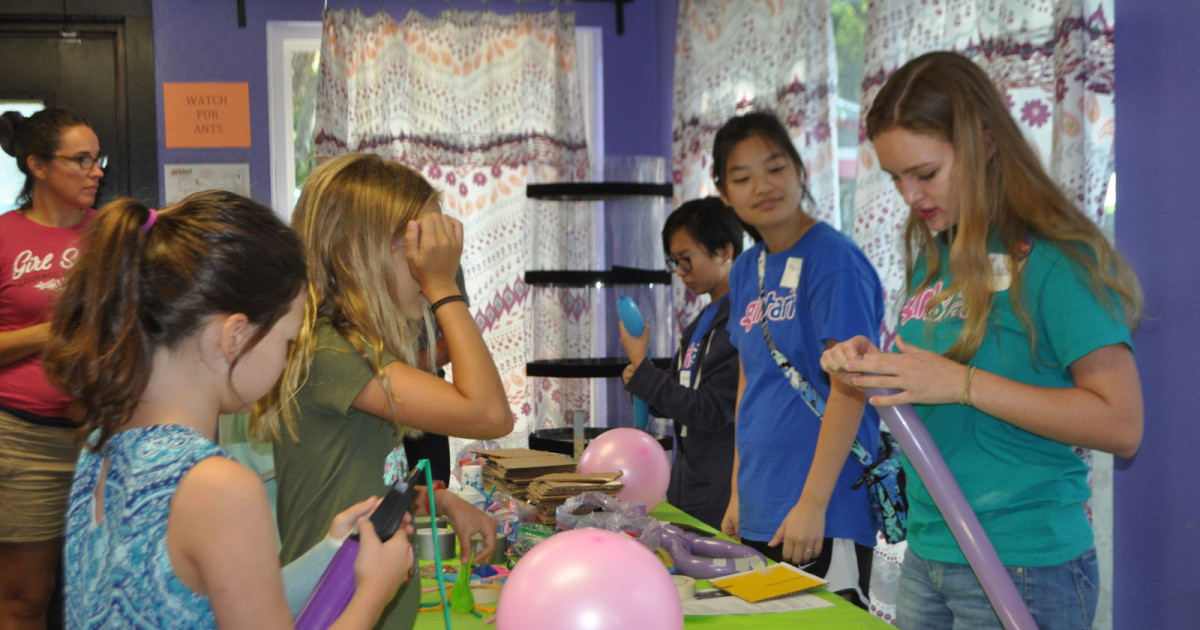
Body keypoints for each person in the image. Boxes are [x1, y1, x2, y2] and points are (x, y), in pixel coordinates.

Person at [820, 51, 1143, 629]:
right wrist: (872, 366)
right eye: (896, 178)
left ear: (984, 143)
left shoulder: (1055, 258)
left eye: (925, 173)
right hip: (930, 550)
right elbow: (932, 379)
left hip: (1023, 561)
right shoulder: (936, 253)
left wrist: (963, 385)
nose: (910, 195)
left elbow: (1121, 425)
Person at [41, 190, 412, 629]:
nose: (288, 358)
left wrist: (331, 552)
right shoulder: (219, 487)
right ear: (235, 336)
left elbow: (213, 604)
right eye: (287, 342)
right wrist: (375, 590)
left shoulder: (99, 451)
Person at [255, 153, 514, 629]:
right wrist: (442, 286)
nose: (429, 264)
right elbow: (490, 414)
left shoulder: (356, 347)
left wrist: (437, 501)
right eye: (417, 249)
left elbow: (358, 482)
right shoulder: (330, 354)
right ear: (363, 252)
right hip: (335, 609)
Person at [711, 111, 883, 606]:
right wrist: (740, 492)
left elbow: (852, 386)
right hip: (760, 502)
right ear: (725, 193)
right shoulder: (747, 268)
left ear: (801, 170)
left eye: (775, 168)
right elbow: (751, 381)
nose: (762, 186)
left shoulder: (834, 261)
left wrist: (813, 504)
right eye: (742, 178)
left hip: (823, 509)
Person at [0, 107, 103, 628]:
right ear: (37, 165)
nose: (97, 171)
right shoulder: (4, 236)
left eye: (98, 159)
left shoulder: (111, 235)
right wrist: (52, 331)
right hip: (25, 439)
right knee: (26, 599)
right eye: (81, 160)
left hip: (105, 436)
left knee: (102, 589)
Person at [618, 196, 743, 530]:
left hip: (723, 493)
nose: (681, 273)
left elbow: (712, 410)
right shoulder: (702, 321)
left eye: (687, 259)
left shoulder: (741, 321)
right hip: (691, 487)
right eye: (675, 261)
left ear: (726, 251)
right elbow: (672, 399)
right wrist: (639, 371)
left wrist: (644, 376)